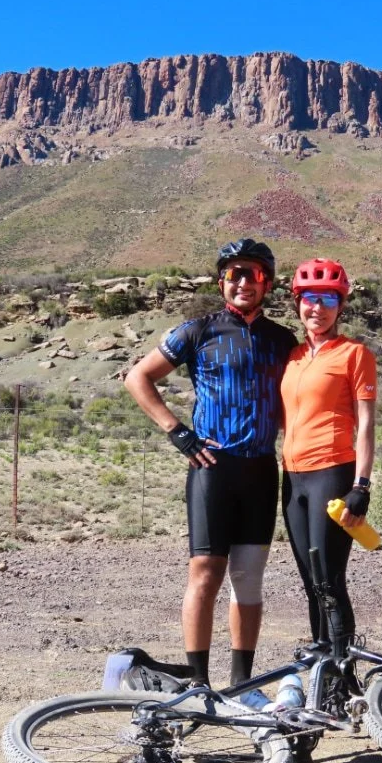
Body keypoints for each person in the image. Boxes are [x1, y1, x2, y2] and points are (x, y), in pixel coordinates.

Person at [124, 239, 297, 695]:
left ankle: (243, 683)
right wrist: (177, 432)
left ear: (268, 283)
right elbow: (137, 377)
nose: (244, 282)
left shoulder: (284, 340)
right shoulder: (197, 330)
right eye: (235, 273)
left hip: (260, 468)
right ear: (223, 281)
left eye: (254, 274)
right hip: (211, 466)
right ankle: (199, 683)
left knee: (248, 575)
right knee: (205, 570)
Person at [279, 258, 377, 656]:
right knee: (309, 578)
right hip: (293, 477)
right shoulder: (294, 356)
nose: (316, 308)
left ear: (340, 306)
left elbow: (367, 424)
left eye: (326, 299)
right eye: (308, 299)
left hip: (333, 473)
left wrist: (362, 486)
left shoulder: (354, 354)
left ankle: (344, 678)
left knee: (329, 578)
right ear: (298, 303)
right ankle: (323, 660)